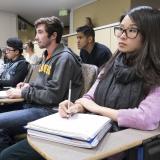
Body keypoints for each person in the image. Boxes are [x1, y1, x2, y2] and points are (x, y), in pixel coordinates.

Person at [1, 6, 160, 160]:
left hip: (109, 142)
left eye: (131, 30)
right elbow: (89, 97)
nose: (122, 35)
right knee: (7, 155)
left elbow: (146, 118)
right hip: (84, 129)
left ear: (150, 35)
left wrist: (96, 108)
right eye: (121, 28)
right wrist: (77, 106)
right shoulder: (112, 65)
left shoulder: (155, 73)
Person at [0, 15, 83, 157]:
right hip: (36, 105)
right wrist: (28, 84)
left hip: (50, 111)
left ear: (53, 35)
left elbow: (53, 96)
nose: (36, 37)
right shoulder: (47, 55)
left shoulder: (64, 58)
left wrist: (23, 93)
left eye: (40, 32)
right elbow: (43, 83)